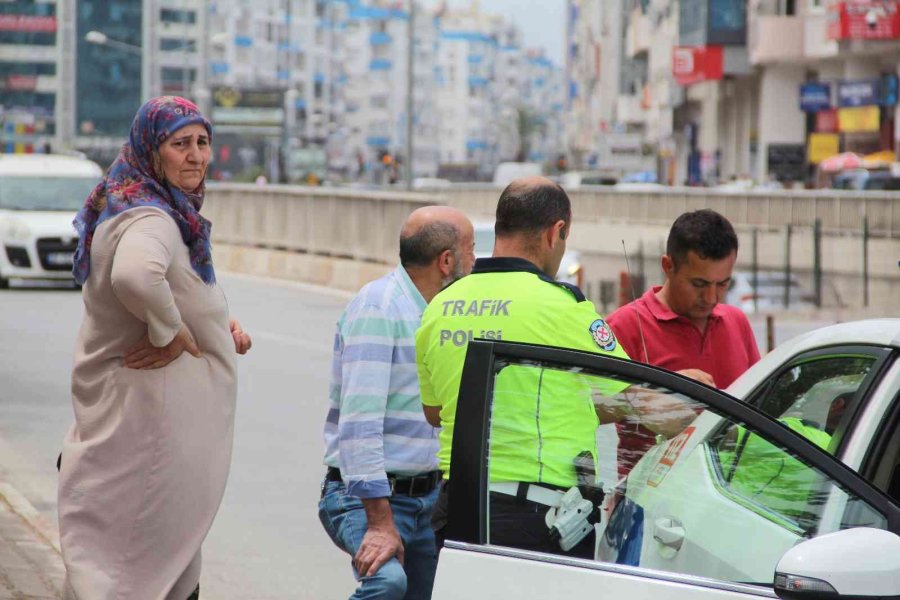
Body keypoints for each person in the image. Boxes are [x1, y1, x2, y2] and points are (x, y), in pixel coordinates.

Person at [415, 177, 695, 558]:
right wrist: (706, 409)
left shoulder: (439, 308)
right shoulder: (562, 307)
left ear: (501, 227)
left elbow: (435, 413)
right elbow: (644, 406)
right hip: (535, 521)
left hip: (455, 513)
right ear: (556, 231)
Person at [59, 96, 252, 600]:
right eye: (179, 144)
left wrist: (211, 324)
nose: (195, 156)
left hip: (147, 426)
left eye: (202, 143)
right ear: (151, 149)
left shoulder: (137, 202)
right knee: (131, 569)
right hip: (148, 429)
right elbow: (135, 276)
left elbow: (162, 287)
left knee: (155, 558)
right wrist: (174, 333)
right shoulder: (153, 218)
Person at [319, 205, 475, 600]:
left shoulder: (443, 315)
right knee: (387, 584)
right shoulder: (380, 308)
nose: (476, 262)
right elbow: (359, 426)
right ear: (446, 261)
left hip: (429, 500)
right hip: (368, 498)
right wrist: (380, 522)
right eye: (471, 250)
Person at [607, 209, 760, 477]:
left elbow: (761, 410)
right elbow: (585, 409)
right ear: (668, 266)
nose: (711, 297)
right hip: (648, 500)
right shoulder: (625, 326)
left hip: (731, 499)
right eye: (699, 284)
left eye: (723, 284)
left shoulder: (737, 322)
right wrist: (656, 393)